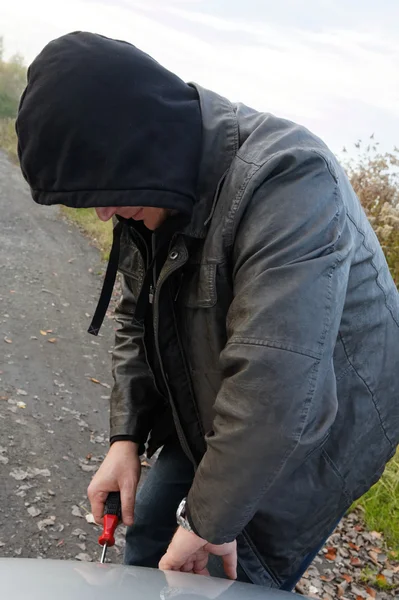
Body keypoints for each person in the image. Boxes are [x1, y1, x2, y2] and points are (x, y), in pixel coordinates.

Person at [16, 31, 399, 591]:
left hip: (316, 425)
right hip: (227, 388)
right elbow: (135, 315)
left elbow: (280, 386)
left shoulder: (290, 177)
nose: (102, 215)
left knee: (230, 565)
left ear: (139, 141)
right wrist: (125, 437)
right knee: (149, 527)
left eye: (106, 193)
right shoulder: (152, 184)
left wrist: (209, 522)